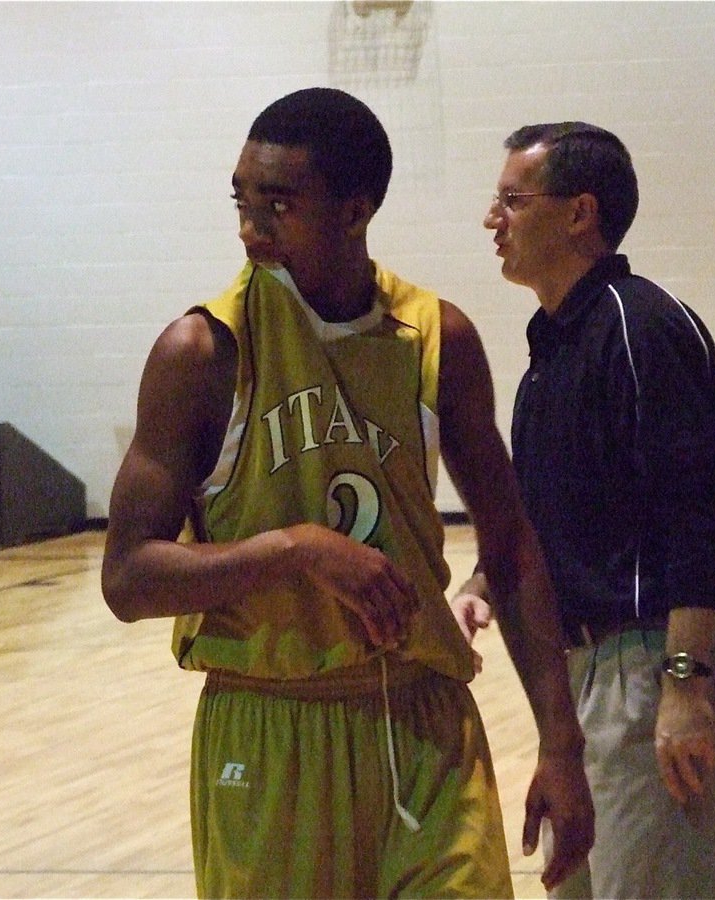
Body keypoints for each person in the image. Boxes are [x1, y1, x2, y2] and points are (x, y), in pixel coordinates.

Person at [101, 87, 593, 898]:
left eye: (279, 206)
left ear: (356, 211)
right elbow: (127, 579)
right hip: (268, 728)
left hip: (424, 722)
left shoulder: (438, 338)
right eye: (242, 202)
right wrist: (295, 549)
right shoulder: (202, 352)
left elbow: (509, 544)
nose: (251, 229)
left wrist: (561, 744)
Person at [455, 122, 715, 898]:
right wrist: (483, 585)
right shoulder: (553, 345)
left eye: (512, 200)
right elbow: (545, 505)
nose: (493, 219)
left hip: (649, 672)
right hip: (576, 683)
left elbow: (696, 513)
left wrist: (684, 685)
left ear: (578, 213)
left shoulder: (643, 326)